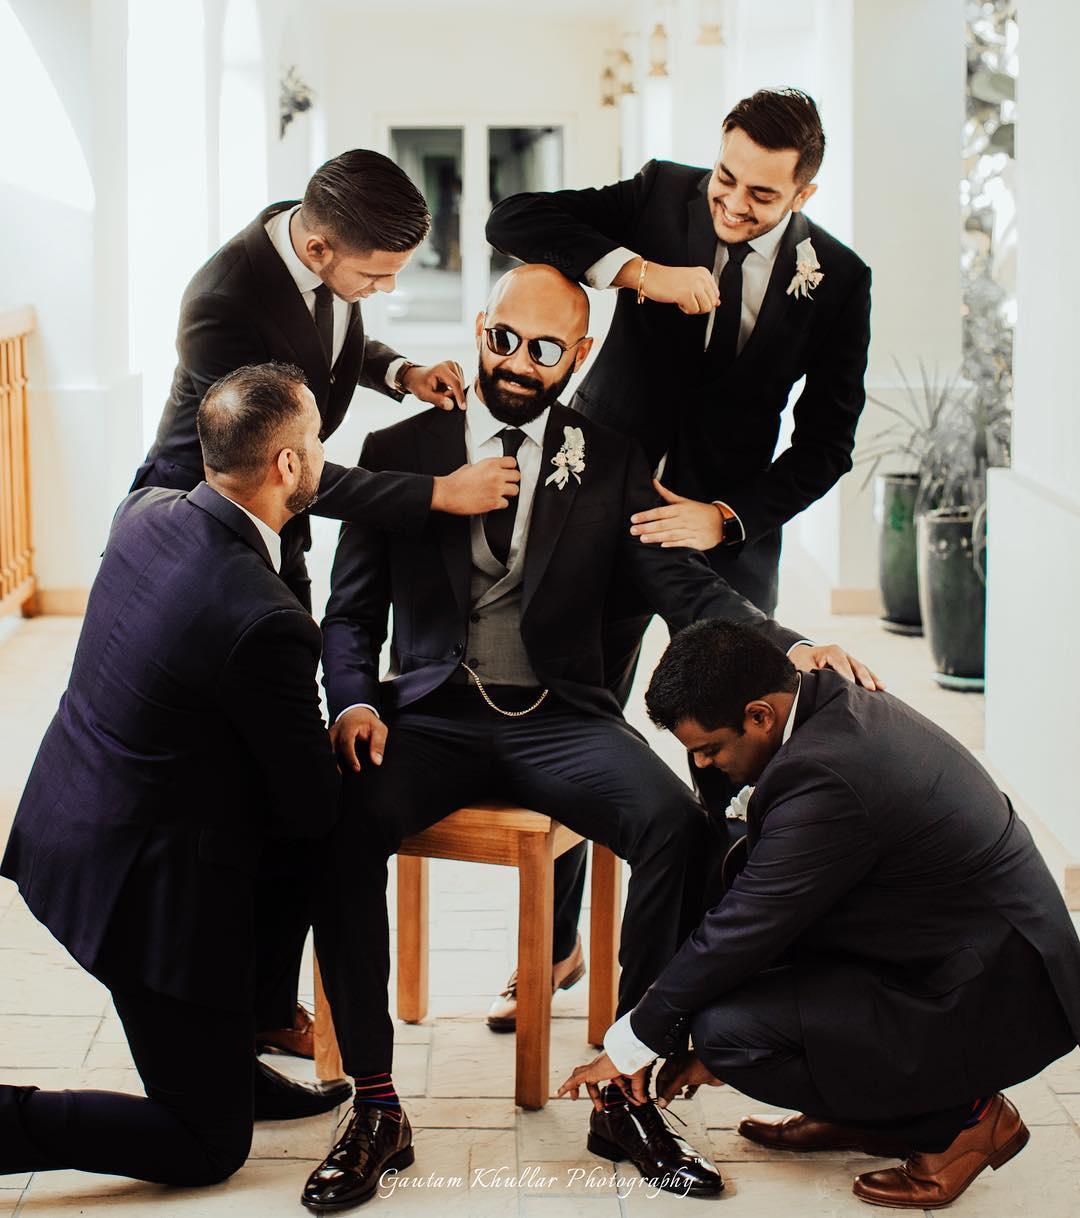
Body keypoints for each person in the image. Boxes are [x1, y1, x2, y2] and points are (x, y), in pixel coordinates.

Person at [301, 264, 877, 1208]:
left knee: (676, 825)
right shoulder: (400, 445)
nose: (518, 364)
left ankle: (625, 1091)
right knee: (338, 822)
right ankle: (375, 1102)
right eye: (503, 340)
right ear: (482, 327)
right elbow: (351, 613)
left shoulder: (608, 456)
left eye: (544, 349)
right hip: (433, 711)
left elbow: (684, 589)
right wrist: (355, 701)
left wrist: (792, 642)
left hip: (558, 716)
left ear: (582, 353)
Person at [485, 86, 873, 999]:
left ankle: (709, 970)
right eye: (726, 181)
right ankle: (554, 947)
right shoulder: (664, 194)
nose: (732, 208)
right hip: (595, 508)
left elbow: (826, 444)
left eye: (761, 198)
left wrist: (727, 517)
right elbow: (516, 217)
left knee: (735, 755)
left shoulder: (840, 282)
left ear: (804, 196)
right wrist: (639, 273)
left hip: (723, 539)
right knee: (574, 715)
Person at [134, 148, 518, 1056]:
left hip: (275, 523)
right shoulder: (221, 304)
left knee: (287, 783)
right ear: (315, 246)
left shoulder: (302, 235)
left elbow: (330, 340)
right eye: (375, 276)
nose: (381, 292)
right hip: (207, 529)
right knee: (249, 783)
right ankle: (230, 1002)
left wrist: (400, 374)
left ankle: (265, 1001)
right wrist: (437, 494)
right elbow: (299, 471)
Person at [559, 620, 1080, 1211]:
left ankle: (965, 1122)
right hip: (938, 944)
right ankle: (868, 1113)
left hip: (989, 986)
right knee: (729, 987)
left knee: (730, 1036)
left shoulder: (828, 773)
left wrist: (630, 1043)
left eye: (709, 748)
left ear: (760, 716)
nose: (702, 764)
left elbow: (744, 927)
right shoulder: (822, 703)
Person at [0, 363, 357, 1186]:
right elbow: (308, 801)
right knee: (205, 1146)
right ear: (288, 467)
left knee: (271, 854)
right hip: (137, 890)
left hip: (67, 823)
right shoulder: (263, 618)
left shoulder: (146, 512)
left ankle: (233, 1055)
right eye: (315, 442)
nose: (319, 455)